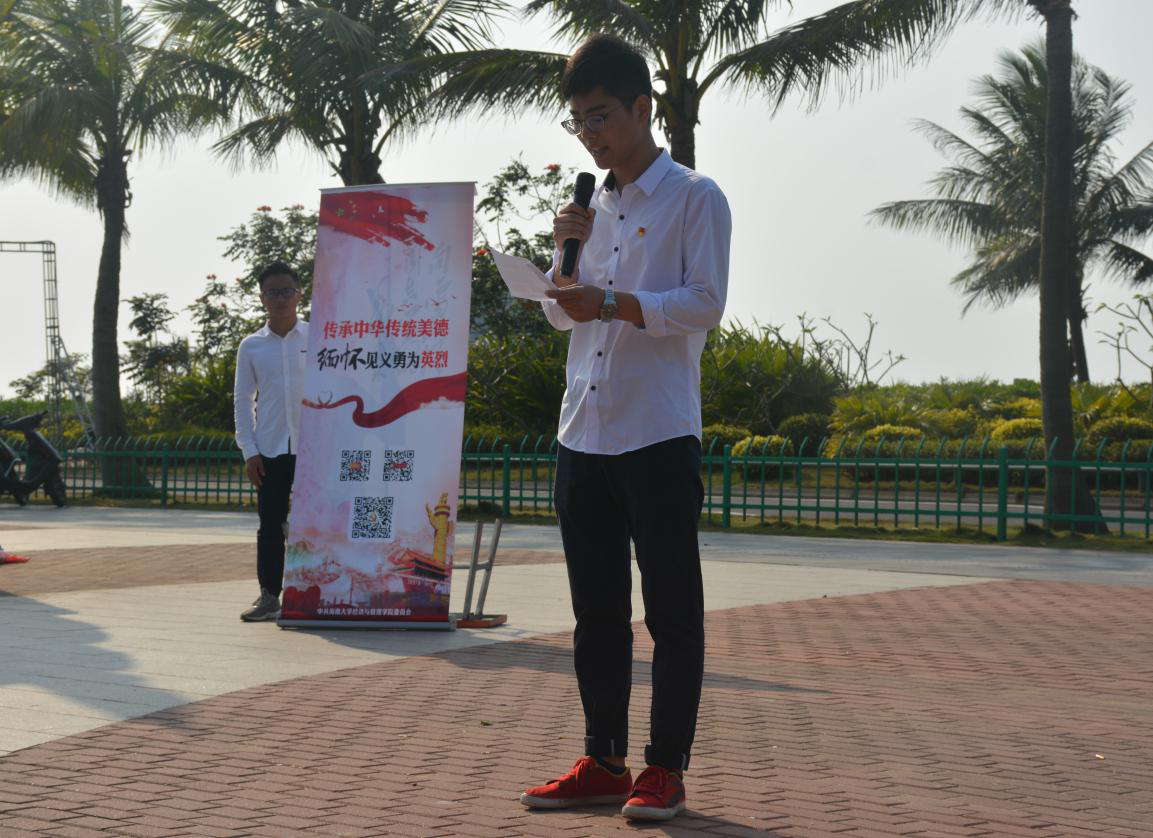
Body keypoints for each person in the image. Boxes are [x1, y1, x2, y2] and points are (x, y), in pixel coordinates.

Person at [518, 34, 731, 822]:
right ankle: (604, 760)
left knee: (671, 612)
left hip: (656, 433)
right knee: (596, 613)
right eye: (577, 121)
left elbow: (704, 304)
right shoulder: (590, 207)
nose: (589, 135)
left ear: (642, 108)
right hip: (584, 429)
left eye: (600, 116)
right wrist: (560, 262)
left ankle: (663, 768)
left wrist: (610, 303)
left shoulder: (694, 196)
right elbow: (559, 313)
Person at [234, 261, 309, 622]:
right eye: (273, 292)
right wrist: (250, 451)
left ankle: (315, 593)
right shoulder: (251, 346)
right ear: (262, 298)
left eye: (287, 291)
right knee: (270, 525)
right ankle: (269, 597)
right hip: (270, 449)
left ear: (299, 294)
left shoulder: (319, 337)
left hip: (315, 448)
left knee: (317, 523)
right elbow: (242, 400)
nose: (281, 298)